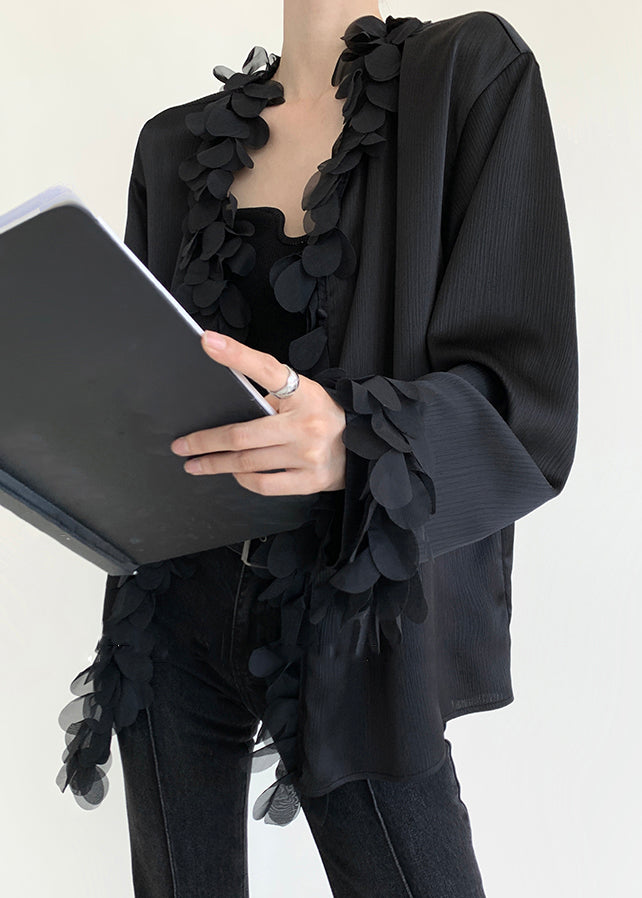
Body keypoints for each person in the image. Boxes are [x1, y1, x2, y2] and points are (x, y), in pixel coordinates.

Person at [56, 2, 579, 896]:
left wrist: (355, 436)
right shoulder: (172, 145)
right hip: (169, 607)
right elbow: (149, 390)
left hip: (352, 619)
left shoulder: (470, 74)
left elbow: (529, 402)